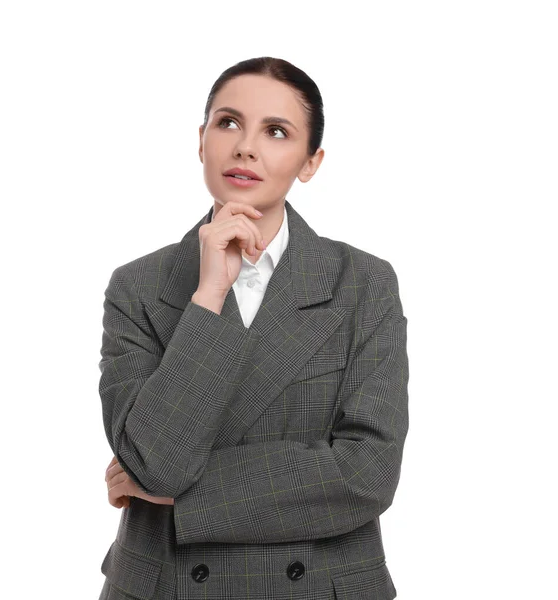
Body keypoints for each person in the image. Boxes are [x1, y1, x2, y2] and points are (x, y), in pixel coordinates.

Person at [98, 56, 409, 600]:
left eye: (276, 131)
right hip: (168, 584)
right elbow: (160, 463)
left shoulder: (363, 284)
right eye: (229, 123)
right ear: (201, 141)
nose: (245, 146)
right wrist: (209, 294)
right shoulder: (138, 288)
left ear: (310, 162)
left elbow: (367, 472)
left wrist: (187, 499)